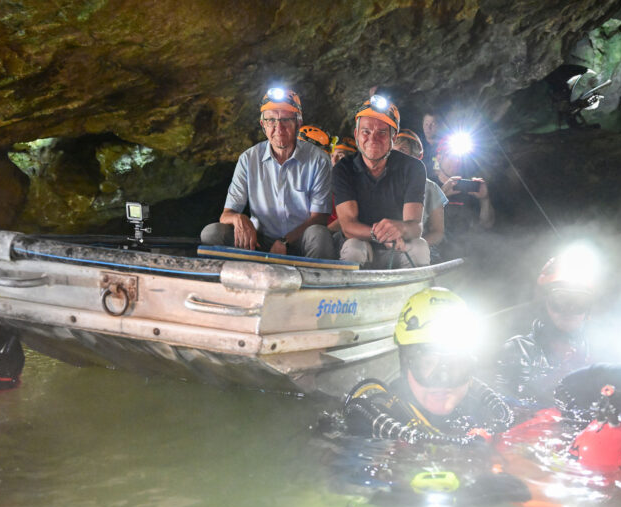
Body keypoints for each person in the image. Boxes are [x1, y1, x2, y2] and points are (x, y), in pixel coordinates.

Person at [341, 287, 515, 444]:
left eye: (455, 365)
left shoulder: (486, 411)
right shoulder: (374, 418)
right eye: (428, 363)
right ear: (405, 363)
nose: (442, 380)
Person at [200, 87, 335, 259]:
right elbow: (226, 214)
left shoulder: (318, 160)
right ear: (263, 125)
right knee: (212, 233)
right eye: (271, 120)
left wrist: (285, 242)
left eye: (286, 119)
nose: (279, 128)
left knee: (318, 235)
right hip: (259, 241)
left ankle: (317, 282)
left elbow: (320, 218)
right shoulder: (248, 159)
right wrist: (239, 219)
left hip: (300, 241)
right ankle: (225, 280)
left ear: (298, 123)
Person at [332, 95, 429, 269]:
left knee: (419, 247)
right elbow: (348, 226)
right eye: (366, 132)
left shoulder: (413, 168)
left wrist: (401, 228)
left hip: (397, 247)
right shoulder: (344, 169)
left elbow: (415, 227)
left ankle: (412, 294)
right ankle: (349, 295)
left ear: (394, 137)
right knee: (354, 247)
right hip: (363, 244)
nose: (373, 139)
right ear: (356, 135)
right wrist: (382, 235)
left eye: (382, 132)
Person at [495, 251, 595, 407]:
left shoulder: (597, 350)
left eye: (579, 302)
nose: (569, 309)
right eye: (560, 300)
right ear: (544, 304)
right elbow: (507, 405)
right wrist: (559, 378)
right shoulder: (519, 348)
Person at [432, 137, 495, 259]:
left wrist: (484, 199)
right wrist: (441, 195)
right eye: (450, 156)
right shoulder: (426, 184)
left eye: (459, 157)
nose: (456, 161)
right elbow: (417, 223)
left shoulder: (469, 188)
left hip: (466, 256)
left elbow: (487, 224)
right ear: (439, 158)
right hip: (435, 256)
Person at [392, 129, 447, 258]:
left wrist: (412, 245)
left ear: (416, 157)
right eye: (392, 151)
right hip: (382, 245)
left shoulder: (430, 188)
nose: (395, 156)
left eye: (402, 150)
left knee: (420, 251)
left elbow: (438, 232)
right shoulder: (377, 181)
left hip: (415, 248)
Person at [420, 110, 442, 176]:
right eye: (426, 124)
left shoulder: (446, 146)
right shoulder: (416, 144)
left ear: (439, 126)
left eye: (433, 124)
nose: (428, 128)